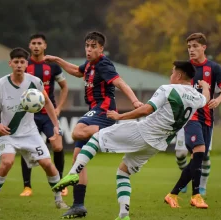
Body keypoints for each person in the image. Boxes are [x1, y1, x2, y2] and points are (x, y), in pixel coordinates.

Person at [52, 61, 210, 220]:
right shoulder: (197, 97)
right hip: (157, 144)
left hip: (143, 132)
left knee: (97, 138)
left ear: (179, 75)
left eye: (172, 72)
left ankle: (73, 173)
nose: (171, 76)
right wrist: (206, 87)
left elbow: (146, 109)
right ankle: (123, 215)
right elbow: (206, 99)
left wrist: (120, 116)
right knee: (123, 173)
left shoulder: (168, 89)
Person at [44, 31, 143, 218]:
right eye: (87, 46)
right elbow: (76, 71)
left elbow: (120, 83)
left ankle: (110, 130)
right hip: (95, 110)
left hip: (103, 111)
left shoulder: (104, 64)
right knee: (77, 159)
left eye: (93, 47)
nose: (89, 50)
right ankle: (79, 205)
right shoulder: (90, 64)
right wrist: (57, 59)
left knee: (77, 131)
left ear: (101, 48)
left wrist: (135, 101)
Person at [0, 47, 68, 210]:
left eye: (22, 62)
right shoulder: (0, 84)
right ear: (10, 63)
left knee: (48, 164)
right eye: (15, 62)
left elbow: (47, 103)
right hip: (8, 134)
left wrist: (56, 126)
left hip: (30, 134)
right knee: (7, 163)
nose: (19, 65)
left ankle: (59, 200)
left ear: (26, 64)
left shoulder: (35, 82)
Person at [165, 33, 221, 209]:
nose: (191, 50)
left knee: (198, 158)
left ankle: (177, 194)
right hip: (189, 117)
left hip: (207, 119)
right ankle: (195, 195)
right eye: (189, 47)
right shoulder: (185, 68)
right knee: (199, 150)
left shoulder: (214, 68)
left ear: (204, 48)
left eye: (195, 46)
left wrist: (219, 100)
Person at [20, 33, 69, 198]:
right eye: (33, 43)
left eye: (39, 43)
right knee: (27, 148)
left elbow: (64, 87)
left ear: (45, 46)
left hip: (48, 115)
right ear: (29, 45)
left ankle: (61, 183)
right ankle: (27, 187)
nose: (36, 46)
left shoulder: (53, 67)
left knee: (58, 146)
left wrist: (59, 108)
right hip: (29, 115)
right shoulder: (24, 65)